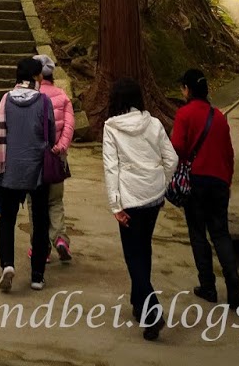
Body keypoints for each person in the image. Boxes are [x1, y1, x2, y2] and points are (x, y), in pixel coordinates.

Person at [102, 75, 178, 341]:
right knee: (143, 247)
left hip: (130, 198)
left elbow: (111, 167)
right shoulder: (154, 123)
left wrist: (115, 204)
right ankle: (138, 302)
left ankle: (152, 310)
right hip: (153, 197)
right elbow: (172, 158)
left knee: (133, 256)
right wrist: (162, 181)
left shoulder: (111, 127)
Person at [172, 68, 239, 309]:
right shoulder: (219, 116)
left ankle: (208, 286)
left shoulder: (184, 114)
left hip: (197, 181)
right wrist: (228, 181)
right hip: (220, 181)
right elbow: (229, 153)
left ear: (188, 90)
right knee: (221, 233)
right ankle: (234, 286)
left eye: (183, 87)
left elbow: (177, 147)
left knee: (198, 233)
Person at [0, 56, 56, 293]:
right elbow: (51, 135)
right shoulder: (44, 101)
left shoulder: (5, 99)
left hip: (10, 169)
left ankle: (7, 264)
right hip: (37, 169)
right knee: (39, 221)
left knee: (7, 219)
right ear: (37, 77)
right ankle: (37, 275)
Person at [29, 53, 75, 261]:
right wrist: (60, 147)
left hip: (36, 159)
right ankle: (60, 239)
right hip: (56, 158)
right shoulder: (62, 96)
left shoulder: (32, 97)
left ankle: (41, 248)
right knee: (55, 201)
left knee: (34, 204)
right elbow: (69, 125)